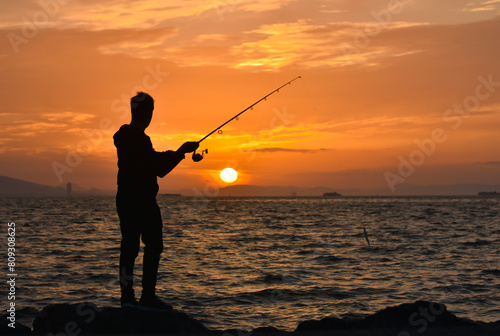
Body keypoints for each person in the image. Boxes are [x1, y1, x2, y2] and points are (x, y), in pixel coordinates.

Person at [113, 92, 198, 311]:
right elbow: (159, 168)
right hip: (143, 201)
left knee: (129, 247)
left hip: (125, 199)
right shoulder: (139, 139)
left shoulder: (124, 136)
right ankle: (146, 297)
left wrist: (178, 152)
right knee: (153, 246)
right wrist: (180, 152)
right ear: (149, 112)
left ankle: (127, 298)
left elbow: (152, 159)